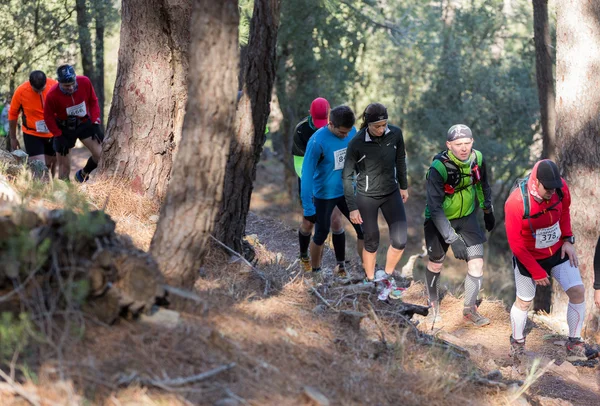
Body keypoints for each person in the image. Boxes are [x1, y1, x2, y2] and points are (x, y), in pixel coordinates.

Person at [505, 159, 586, 361]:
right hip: (528, 255)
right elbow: (515, 244)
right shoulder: (515, 202)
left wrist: (568, 239)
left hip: (557, 250)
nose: (551, 192)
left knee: (578, 291)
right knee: (524, 302)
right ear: (536, 182)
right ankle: (517, 343)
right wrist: (536, 270)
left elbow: (565, 211)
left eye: (554, 187)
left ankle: (574, 344)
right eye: (547, 188)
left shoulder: (560, 189)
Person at [423, 124, 495, 325]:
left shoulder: (477, 159)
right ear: (449, 145)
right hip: (439, 219)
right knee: (436, 263)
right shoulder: (439, 167)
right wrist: (452, 239)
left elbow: (483, 184)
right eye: (458, 144)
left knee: (477, 263)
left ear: (472, 142)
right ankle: (433, 306)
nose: (463, 148)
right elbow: (434, 207)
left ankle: (469, 309)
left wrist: (487, 210)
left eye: (467, 143)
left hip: (467, 216)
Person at [343, 103, 408, 300]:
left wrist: (403, 186)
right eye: (377, 126)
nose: (381, 129)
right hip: (367, 196)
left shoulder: (395, 134)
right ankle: (370, 281)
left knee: (400, 240)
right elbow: (347, 176)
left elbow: (400, 160)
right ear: (368, 124)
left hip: (391, 192)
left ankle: (386, 277)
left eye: (384, 124)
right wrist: (352, 208)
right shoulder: (356, 143)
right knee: (371, 241)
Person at [301, 105, 364, 276]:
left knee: (363, 231)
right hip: (325, 195)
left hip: (348, 191)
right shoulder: (317, 142)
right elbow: (306, 176)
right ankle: (316, 272)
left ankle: (366, 269)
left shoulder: (352, 132)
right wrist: (308, 207)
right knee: (321, 234)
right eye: (342, 132)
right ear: (331, 124)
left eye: (348, 132)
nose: (345, 136)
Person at [293, 97, 345, 272]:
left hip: (332, 181)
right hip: (309, 181)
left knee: (336, 221)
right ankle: (303, 256)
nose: (321, 125)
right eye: (317, 122)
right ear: (310, 114)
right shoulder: (301, 130)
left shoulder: (337, 127)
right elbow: (300, 165)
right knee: (309, 223)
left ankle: (341, 266)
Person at [43, 64, 103, 181]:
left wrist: (95, 121)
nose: (70, 88)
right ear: (59, 82)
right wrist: (58, 135)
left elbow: (93, 101)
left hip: (84, 123)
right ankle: (67, 195)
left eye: (72, 84)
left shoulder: (84, 82)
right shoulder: (52, 95)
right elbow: (48, 117)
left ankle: (83, 174)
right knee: (64, 168)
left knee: (101, 155)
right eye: (66, 86)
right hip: (64, 130)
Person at [8, 71, 59, 172]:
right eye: (36, 90)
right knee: (38, 166)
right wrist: (13, 138)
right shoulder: (21, 91)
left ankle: (51, 185)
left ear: (46, 82)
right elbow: (13, 114)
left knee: (51, 163)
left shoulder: (55, 86)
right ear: (30, 84)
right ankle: (41, 187)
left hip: (53, 132)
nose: (40, 92)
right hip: (32, 134)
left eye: (42, 89)